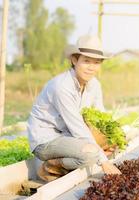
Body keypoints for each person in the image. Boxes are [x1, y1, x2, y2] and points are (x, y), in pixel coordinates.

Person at [27, 34, 121, 182]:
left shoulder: (94, 84)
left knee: (110, 143)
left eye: (96, 62)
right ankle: (52, 166)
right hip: (46, 141)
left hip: (68, 135)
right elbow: (78, 128)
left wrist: (112, 137)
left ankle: (70, 158)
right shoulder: (62, 87)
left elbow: (101, 115)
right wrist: (104, 162)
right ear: (74, 60)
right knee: (90, 154)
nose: (91, 67)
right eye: (86, 61)